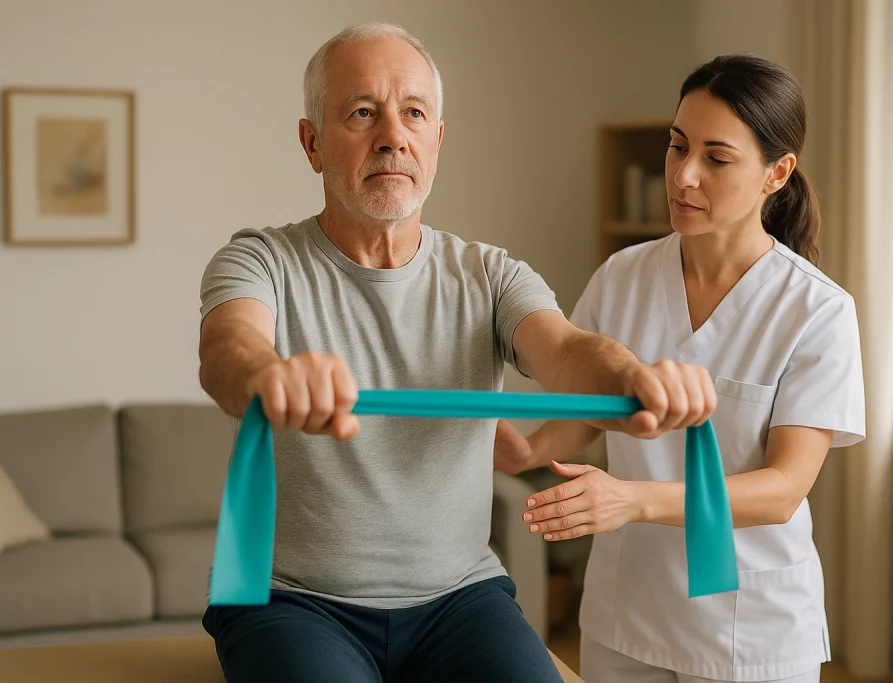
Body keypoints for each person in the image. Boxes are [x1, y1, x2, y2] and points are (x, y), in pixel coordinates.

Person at [197, 21, 720, 683]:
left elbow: (565, 350)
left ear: (436, 141)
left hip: (460, 598)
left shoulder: (493, 275)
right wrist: (270, 375)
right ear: (313, 144)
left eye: (414, 113)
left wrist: (634, 378)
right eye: (362, 113)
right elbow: (226, 351)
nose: (393, 135)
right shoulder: (259, 260)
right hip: (292, 600)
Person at [493, 54, 867, 683]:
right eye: (676, 146)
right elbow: (590, 420)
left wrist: (631, 501)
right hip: (627, 615)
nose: (684, 175)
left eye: (716, 159)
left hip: (751, 629)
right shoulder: (623, 276)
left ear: (777, 173)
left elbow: (783, 490)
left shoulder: (817, 310)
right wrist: (526, 451)